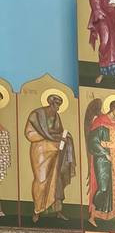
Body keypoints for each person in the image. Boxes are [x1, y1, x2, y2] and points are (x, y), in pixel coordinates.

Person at [24, 94, 76, 223]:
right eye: (56, 104)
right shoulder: (36, 115)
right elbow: (29, 134)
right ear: (50, 103)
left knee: (57, 179)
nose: (57, 107)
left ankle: (57, 210)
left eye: (59, 105)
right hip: (41, 150)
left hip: (55, 150)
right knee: (41, 180)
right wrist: (49, 136)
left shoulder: (56, 116)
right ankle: (37, 210)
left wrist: (64, 137)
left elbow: (59, 132)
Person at [86, 99, 115, 225]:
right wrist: (105, 153)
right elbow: (93, 141)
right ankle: (92, 216)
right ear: (112, 108)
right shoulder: (99, 121)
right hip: (102, 159)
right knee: (103, 187)